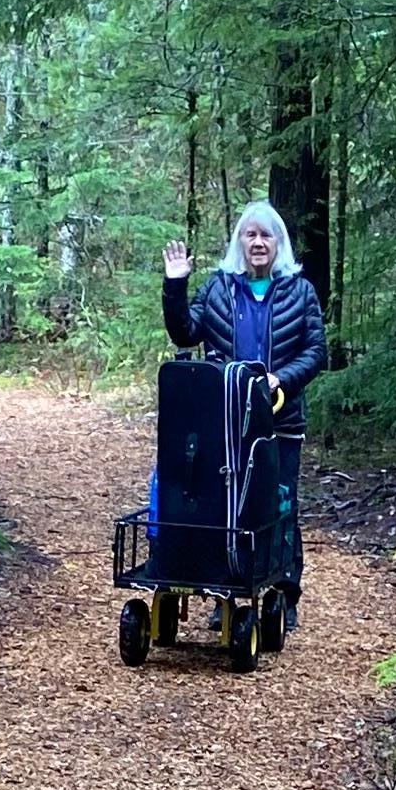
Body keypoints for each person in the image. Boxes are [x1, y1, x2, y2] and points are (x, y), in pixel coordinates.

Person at [161, 202, 329, 576]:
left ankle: (283, 591)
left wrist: (280, 378)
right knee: (224, 503)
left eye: (266, 235)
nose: (258, 243)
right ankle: (228, 586)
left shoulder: (300, 292)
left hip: (281, 422)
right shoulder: (218, 288)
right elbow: (185, 333)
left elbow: (316, 352)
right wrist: (175, 285)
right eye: (250, 234)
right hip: (224, 421)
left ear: (278, 243)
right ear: (240, 240)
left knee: (279, 504)